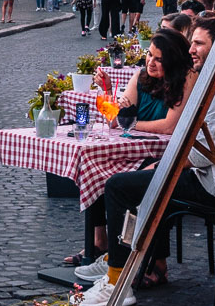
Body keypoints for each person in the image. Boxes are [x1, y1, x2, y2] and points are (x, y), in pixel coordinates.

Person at [77, 14, 215, 306]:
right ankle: (127, 262)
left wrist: (162, 167)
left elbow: (200, 154)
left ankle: (118, 281)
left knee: (118, 186)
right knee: (139, 173)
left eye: (198, 43)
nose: (191, 49)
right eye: (191, 41)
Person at [74, 30, 198, 281]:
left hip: (165, 155)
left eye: (158, 59)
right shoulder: (141, 77)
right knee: (96, 164)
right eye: (149, 55)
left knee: (131, 184)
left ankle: (146, 259)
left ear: (173, 61)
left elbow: (168, 126)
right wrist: (110, 94)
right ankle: (102, 243)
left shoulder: (187, 79)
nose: (150, 62)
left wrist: (129, 123)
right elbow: (119, 112)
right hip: (135, 148)